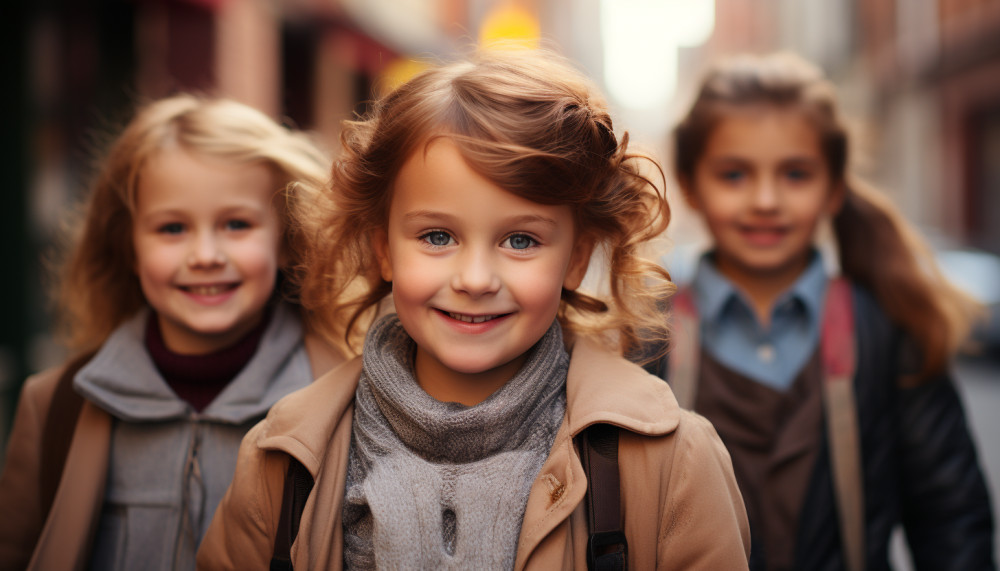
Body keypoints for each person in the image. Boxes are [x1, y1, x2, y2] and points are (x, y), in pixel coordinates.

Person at [196, 49, 751, 570]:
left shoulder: (672, 462)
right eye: (437, 236)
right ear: (383, 247)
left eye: (521, 241)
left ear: (577, 259)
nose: (476, 280)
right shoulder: (282, 458)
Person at [663, 51, 996, 570]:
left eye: (796, 174)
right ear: (689, 186)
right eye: (734, 175)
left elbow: (951, 519)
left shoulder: (886, 331)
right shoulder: (643, 336)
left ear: (834, 187)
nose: (766, 200)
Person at [0, 94, 347, 571]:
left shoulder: (341, 409)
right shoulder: (56, 406)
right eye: (172, 228)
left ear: (287, 239)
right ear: (129, 245)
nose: (205, 253)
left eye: (236, 224)